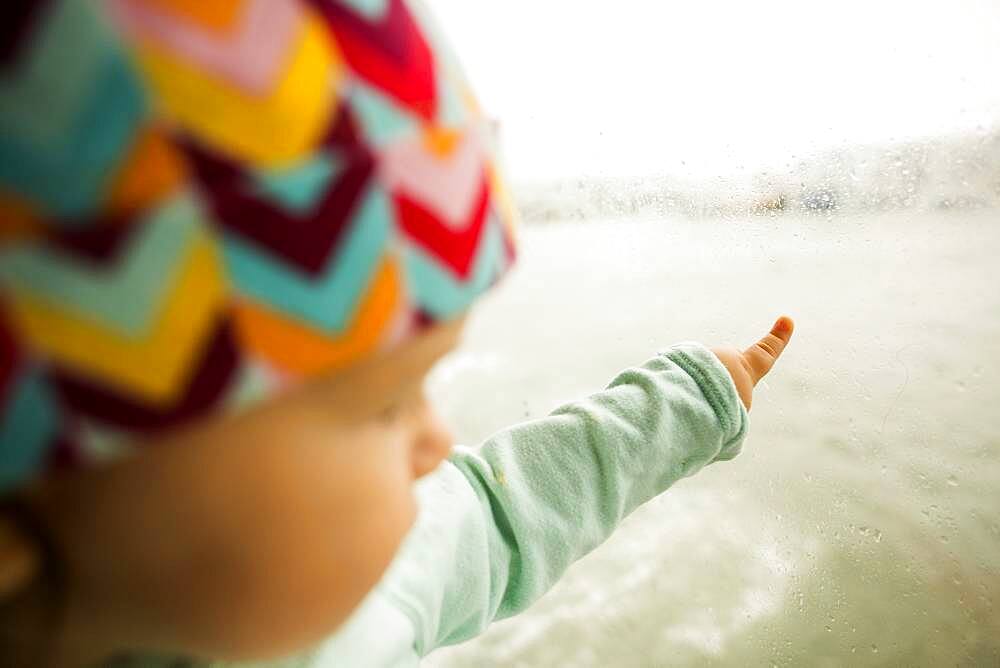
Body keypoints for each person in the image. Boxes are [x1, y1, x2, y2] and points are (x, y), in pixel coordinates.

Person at [0, 1, 793, 666]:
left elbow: (500, 513)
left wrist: (691, 397)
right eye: (384, 405)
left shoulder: (354, 592)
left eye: (423, 385)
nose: (439, 443)